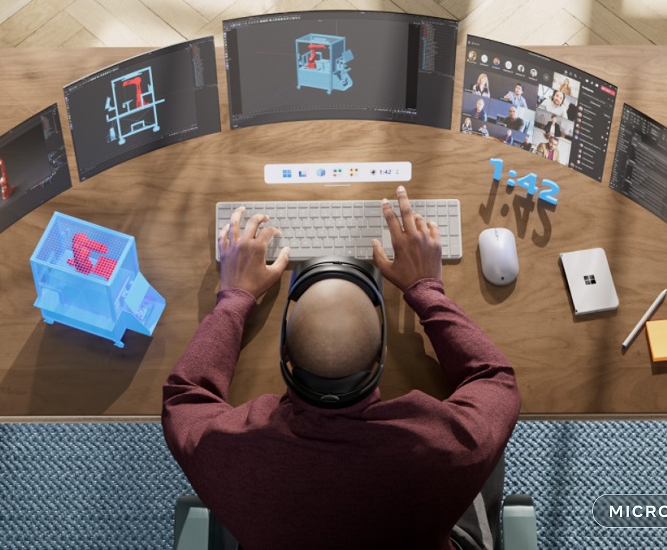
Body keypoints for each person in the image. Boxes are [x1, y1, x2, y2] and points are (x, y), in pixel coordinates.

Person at [162, 186, 521, 550]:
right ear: (380, 359)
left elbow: (184, 396)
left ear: (285, 353)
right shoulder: (450, 447)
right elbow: (495, 380)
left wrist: (234, 299)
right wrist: (426, 290)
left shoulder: (226, 451)